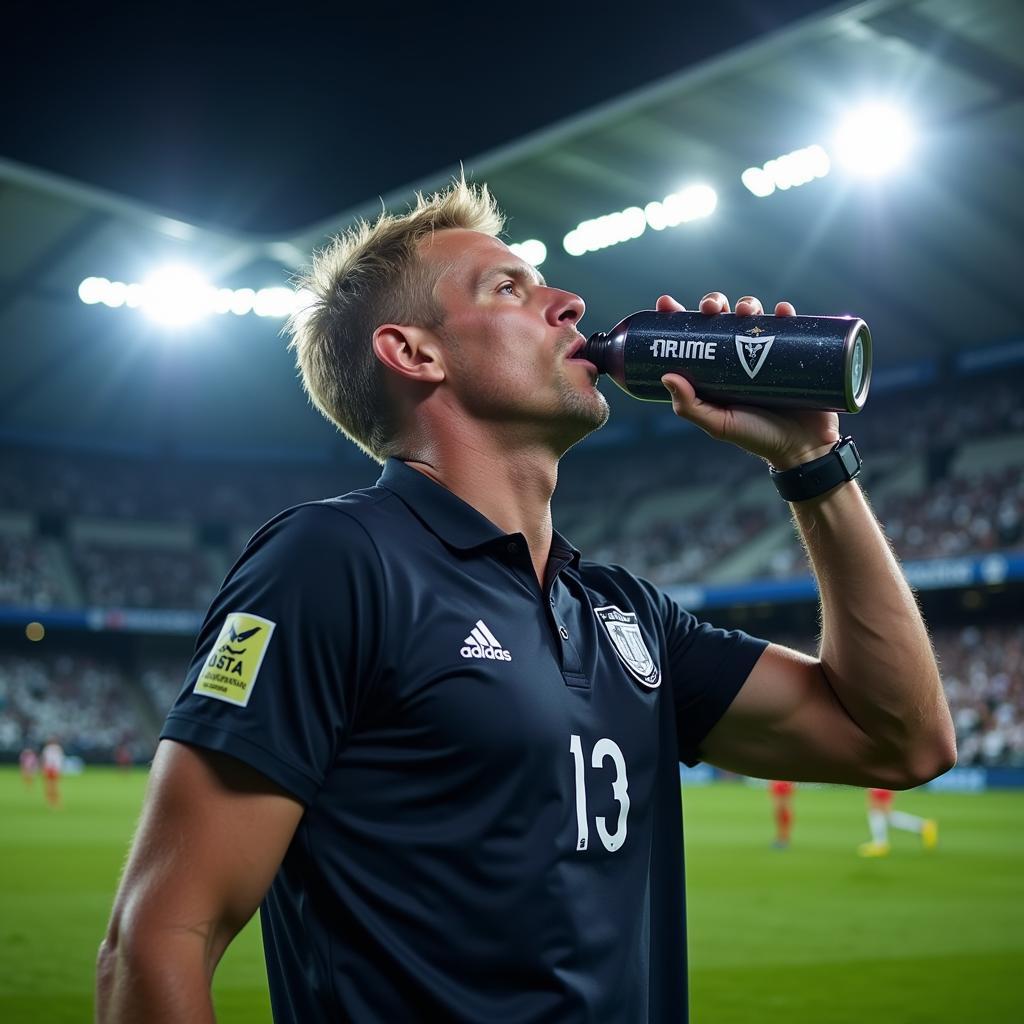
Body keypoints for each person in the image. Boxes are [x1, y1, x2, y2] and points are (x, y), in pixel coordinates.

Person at [96, 178, 956, 1023]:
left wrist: (813, 466)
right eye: (511, 287)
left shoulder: (628, 615)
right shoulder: (334, 562)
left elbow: (900, 739)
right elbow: (160, 936)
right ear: (415, 353)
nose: (571, 303)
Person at [858, 787, 938, 857]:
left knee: (878, 812)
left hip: (880, 779)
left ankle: (880, 845)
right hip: (880, 778)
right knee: (879, 812)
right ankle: (922, 826)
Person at [768, 780, 796, 848]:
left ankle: (783, 838)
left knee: (782, 809)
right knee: (779, 811)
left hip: (783, 780)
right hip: (778, 780)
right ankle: (781, 837)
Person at [40, 737, 63, 808]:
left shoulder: (48, 749)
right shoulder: (56, 748)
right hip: (53, 769)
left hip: (50, 768)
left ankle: (51, 801)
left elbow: (44, 759)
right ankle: (53, 801)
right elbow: (59, 759)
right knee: (53, 786)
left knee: (50, 785)